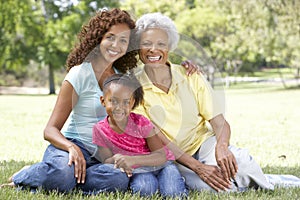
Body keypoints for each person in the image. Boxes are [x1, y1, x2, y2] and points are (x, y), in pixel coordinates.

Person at [0, 8, 198, 194]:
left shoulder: (123, 77)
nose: (115, 45)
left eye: (123, 41)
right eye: (110, 38)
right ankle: (26, 175)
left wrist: (185, 65)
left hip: (103, 156)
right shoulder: (79, 74)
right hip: (70, 146)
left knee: (118, 180)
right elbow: (50, 130)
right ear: (98, 39)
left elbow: (154, 67)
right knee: (62, 173)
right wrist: (72, 148)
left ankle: (68, 180)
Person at [133, 12, 275, 192]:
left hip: (203, 143)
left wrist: (222, 147)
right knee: (212, 187)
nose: (153, 50)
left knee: (243, 164)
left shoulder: (190, 75)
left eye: (161, 44)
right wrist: (198, 167)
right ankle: (242, 185)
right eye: (146, 44)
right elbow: (157, 138)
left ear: (170, 47)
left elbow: (218, 121)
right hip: (172, 157)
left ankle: (263, 181)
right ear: (138, 47)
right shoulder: (133, 86)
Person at [92, 74, 187, 197]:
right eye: (113, 101)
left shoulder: (141, 122)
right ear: (103, 101)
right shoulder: (100, 129)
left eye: (126, 102)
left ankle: (178, 182)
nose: (119, 107)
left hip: (162, 166)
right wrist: (116, 159)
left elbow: (161, 156)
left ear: (133, 103)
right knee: (145, 189)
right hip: (139, 171)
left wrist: (132, 160)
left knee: (173, 193)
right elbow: (106, 160)